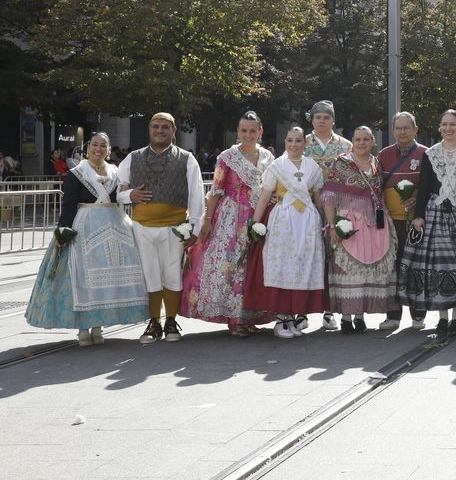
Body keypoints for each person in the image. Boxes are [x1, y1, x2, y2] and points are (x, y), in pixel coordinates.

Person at [25, 132, 148, 345]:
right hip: (84, 226)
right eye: (94, 145)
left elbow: (121, 197)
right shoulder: (77, 173)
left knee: (109, 278)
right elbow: (69, 204)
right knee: (81, 276)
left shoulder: (116, 172)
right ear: (88, 148)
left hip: (114, 226)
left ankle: (98, 325)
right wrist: (63, 231)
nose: (98, 149)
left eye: (103, 146)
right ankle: (83, 328)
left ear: (109, 150)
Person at [180, 112, 274, 337]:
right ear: (238, 132)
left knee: (252, 266)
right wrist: (208, 220)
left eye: (253, 131)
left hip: (258, 216)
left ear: (260, 131)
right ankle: (234, 318)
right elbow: (216, 190)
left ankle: (250, 315)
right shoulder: (227, 156)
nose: (248, 135)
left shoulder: (268, 157)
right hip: (230, 217)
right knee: (230, 266)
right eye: (244, 131)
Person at [117, 113, 206, 344]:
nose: (159, 131)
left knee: (172, 273)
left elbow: (197, 195)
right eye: (155, 126)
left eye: (165, 127)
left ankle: (171, 321)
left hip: (175, 227)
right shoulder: (132, 158)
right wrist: (131, 195)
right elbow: (117, 192)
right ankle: (154, 322)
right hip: (142, 226)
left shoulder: (187, 159)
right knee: (150, 273)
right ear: (149, 129)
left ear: (173, 130)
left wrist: (195, 227)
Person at [397, 110, 456, 340]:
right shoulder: (430, 154)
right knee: (439, 266)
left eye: (452, 124)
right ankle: (442, 317)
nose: (448, 128)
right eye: (444, 124)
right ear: (439, 127)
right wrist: (419, 215)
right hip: (435, 213)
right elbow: (424, 187)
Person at [245, 126, 328, 338]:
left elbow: (318, 198)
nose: (294, 144)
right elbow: (265, 196)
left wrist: (327, 222)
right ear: (285, 142)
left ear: (304, 143)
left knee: (301, 265)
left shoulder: (313, 167)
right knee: (283, 264)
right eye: (290, 140)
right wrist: (254, 224)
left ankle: (293, 316)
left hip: (307, 222)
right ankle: (281, 317)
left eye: (298, 140)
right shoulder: (277, 166)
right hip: (283, 221)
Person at [322, 126, 398, 333]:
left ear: (373, 141)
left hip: (374, 223)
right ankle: (346, 317)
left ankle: (359, 315)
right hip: (349, 221)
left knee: (366, 271)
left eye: (366, 139)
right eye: (358, 139)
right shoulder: (342, 163)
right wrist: (331, 226)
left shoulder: (376, 163)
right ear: (352, 141)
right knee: (349, 269)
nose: (362, 143)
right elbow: (329, 196)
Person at [304, 100, 352, 332]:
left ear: (333, 120)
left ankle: (330, 310)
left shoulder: (345, 145)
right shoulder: (301, 143)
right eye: (318, 117)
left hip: (338, 208)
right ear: (312, 119)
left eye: (326, 117)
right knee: (308, 255)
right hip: (307, 208)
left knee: (335, 257)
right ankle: (301, 310)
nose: (322, 121)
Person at [377, 111, 427, 331]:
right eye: (399, 128)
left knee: (416, 266)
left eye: (407, 127)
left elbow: (431, 187)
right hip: (391, 222)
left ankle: (418, 314)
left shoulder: (426, 154)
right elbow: (375, 189)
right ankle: (393, 315)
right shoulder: (383, 155)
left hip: (417, 221)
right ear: (393, 130)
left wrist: (418, 199)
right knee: (392, 267)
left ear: (415, 129)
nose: (403, 131)